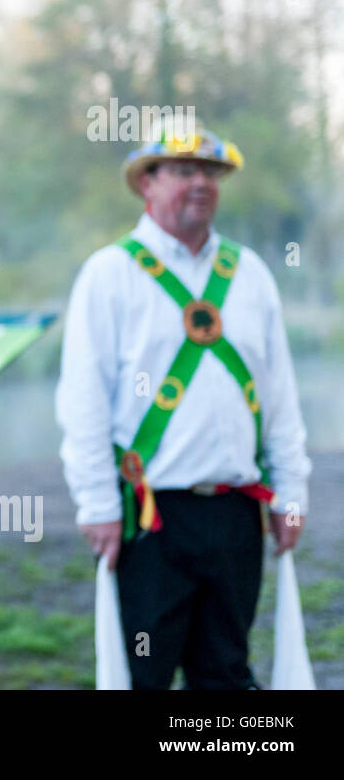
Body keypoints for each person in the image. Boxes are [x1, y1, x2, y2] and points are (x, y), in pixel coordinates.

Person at [56, 125, 311, 689]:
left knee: (227, 674)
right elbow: (84, 401)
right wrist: (97, 503)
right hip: (151, 519)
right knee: (144, 673)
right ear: (148, 183)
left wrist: (291, 495)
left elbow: (280, 398)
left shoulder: (250, 275)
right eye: (184, 170)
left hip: (236, 514)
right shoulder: (108, 273)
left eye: (211, 173)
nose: (202, 183)